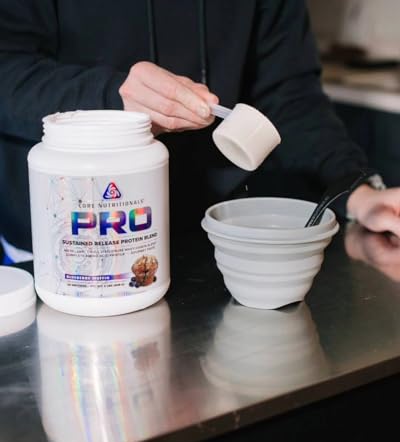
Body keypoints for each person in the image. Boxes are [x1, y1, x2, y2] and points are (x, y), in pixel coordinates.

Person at [0, 0, 400, 263]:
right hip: (70, 244)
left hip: (213, 243)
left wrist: (355, 190)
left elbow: (290, 96)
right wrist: (111, 96)